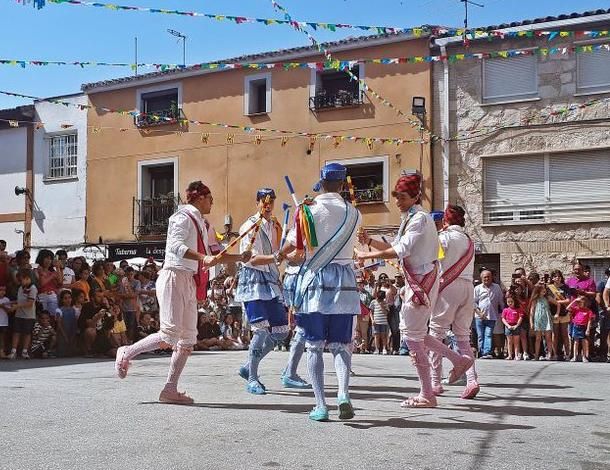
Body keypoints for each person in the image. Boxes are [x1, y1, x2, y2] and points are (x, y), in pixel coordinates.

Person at [114, 181, 249, 404]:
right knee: (169, 335)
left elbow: (216, 253)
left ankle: (169, 389)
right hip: (174, 275)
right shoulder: (182, 217)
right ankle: (127, 351)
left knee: (187, 339)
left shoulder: (205, 226)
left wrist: (239, 258)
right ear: (199, 198)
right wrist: (202, 258)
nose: (213, 202)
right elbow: (175, 246)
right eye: (210, 198)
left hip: (189, 280)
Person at [356, 173, 473, 409]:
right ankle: (457, 359)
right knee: (415, 333)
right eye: (396, 196)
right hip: (418, 280)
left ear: (415, 196)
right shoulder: (411, 217)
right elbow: (394, 245)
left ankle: (427, 393)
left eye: (402, 197)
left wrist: (367, 255)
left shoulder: (419, 218)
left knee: (412, 337)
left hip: (421, 280)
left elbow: (401, 249)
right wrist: (369, 241)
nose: (397, 201)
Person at [281, 163, 361, 421]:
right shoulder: (355, 214)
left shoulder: (307, 211)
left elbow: (294, 249)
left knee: (314, 347)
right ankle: (343, 395)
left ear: (322, 182)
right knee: (341, 347)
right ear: (341, 184)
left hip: (315, 283)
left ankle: (320, 405)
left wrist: (278, 257)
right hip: (345, 285)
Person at [235, 188, 289, 395]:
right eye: (265, 201)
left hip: (271, 280)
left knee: (281, 331)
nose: (268, 205)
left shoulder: (274, 225)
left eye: (271, 201)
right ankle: (253, 377)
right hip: (253, 281)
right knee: (260, 330)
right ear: (257, 202)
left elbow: (280, 252)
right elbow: (249, 258)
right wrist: (276, 257)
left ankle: (249, 365)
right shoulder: (249, 226)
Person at [428, 205, 480, 400]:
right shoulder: (469, 241)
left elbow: (434, 260)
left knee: (436, 333)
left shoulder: (444, 238)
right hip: (468, 287)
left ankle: (434, 382)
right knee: (463, 337)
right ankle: (471, 380)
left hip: (448, 286)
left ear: (446, 221)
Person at [280, 256, 312, 389]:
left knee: (304, 326)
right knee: (304, 326)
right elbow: (293, 253)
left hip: (299, 275)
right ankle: (290, 373)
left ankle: (289, 370)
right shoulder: (299, 234)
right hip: (299, 277)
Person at [8, 269, 38, 360]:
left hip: (29, 315)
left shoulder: (33, 288)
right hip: (19, 314)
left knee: (27, 333)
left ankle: (25, 351)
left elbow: (29, 303)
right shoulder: (21, 288)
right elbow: (20, 299)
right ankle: (14, 351)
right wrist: (9, 303)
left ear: (27, 278)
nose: (20, 282)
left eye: (21, 280)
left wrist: (17, 306)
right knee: (16, 332)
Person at [473, 270, 504, 359]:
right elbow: (473, 302)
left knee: (488, 334)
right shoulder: (478, 288)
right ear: (481, 278)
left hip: (492, 315)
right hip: (479, 316)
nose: (487, 278)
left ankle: (486, 352)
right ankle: (481, 352)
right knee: (480, 335)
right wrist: (479, 313)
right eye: (485, 277)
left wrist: (503, 312)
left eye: (488, 277)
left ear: (491, 277)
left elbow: (500, 300)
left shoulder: (497, 287)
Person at [547, 270, 572, 360]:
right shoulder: (549, 288)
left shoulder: (565, 287)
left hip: (564, 313)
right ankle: (555, 354)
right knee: (555, 334)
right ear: (552, 278)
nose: (557, 278)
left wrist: (557, 302)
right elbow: (549, 299)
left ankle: (568, 354)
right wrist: (559, 302)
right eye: (555, 276)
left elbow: (568, 300)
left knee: (565, 334)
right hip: (554, 314)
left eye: (559, 276)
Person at [530, 283, 554, 360]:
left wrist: (556, 313)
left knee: (548, 338)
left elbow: (558, 304)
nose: (544, 290)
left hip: (546, 319)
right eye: (542, 289)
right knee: (538, 338)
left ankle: (550, 355)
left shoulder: (547, 298)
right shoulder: (535, 299)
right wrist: (531, 322)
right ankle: (536, 355)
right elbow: (532, 310)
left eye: (545, 289)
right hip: (538, 319)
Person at [35, 249, 62, 316]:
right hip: (41, 297)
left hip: (52, 296)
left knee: (53, 317)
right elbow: (41, 284)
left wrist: (58, 267)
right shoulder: (36, 270)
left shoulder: (52, 272)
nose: (48, 261)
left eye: (50, 259)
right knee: (43, 317)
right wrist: (52, 276)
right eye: (46, 258)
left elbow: (60, 283)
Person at [568, 296, 594, 362]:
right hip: (576, 326)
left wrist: (588, 329)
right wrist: (574, 301)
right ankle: (574, 356)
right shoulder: (576, 309)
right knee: (576, 342)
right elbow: (567, 308)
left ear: (584, 302)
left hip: (583, 327)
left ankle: (584, 356)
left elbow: (589, 320)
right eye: (578, 302)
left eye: (580, 302)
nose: (579, 303)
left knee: (583, 342)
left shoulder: (588, 311)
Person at [55, 289, 78, 357]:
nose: (68, 300)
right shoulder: (59, 310)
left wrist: (73, 335)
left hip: (71, 333)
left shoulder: (74, 310)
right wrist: (65, 336)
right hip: (62, 334)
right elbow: (59, 325)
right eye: (65, 298)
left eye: (69, 298)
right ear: (62, 300)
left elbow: (74, 323)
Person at [502, 295, 524, 360]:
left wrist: (516, 325)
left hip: (516, 326)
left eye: (511, 301)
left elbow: (520, 318)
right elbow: (503, 318)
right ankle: (509, 355)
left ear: (514, 302)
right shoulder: (505, 310)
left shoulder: (518, 309)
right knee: (509, 342)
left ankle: (516, 355)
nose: (510, 303)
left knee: (516, 342)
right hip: (508, 326)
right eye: (508, 302)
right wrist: (508, 325)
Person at [370, 289, 390, 354]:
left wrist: (382, 306)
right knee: (376, 336)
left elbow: (386, 313)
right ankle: (377, 349)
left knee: (383, 336)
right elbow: (371, 312)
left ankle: (384, 348)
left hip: (384, 322)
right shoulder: (373, 302)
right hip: (376, 321)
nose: (379, 300)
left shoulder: (385, 302)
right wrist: (372, 320)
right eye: (378, 298)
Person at [599, 268, 610, 362]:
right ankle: (606, 354)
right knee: (605, 333)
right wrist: (606, 307)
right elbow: (603, 295)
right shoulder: (603, 283)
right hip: (606, 311)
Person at [0, 285, 12, 358]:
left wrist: (2, 306)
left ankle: (2, 352)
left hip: (3, 322)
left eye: (4, 290)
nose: (2, 292)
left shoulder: (6, 300)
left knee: (2, 338)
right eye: (1, 290)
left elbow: (9, 311)